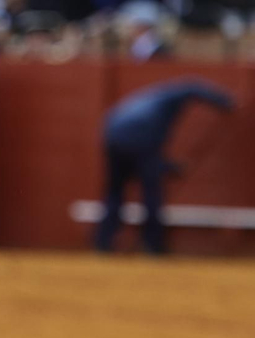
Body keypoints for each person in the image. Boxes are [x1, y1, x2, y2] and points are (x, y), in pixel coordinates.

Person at [95, 79, 236, 254]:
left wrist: (168, 167)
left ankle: (103, 242)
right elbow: (192, 86)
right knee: (151, 192)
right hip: (140, 136)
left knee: (115, 191)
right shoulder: (169, 97)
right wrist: (224, 102)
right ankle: (153, 245)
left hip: (112, 136)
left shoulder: (143, 101)